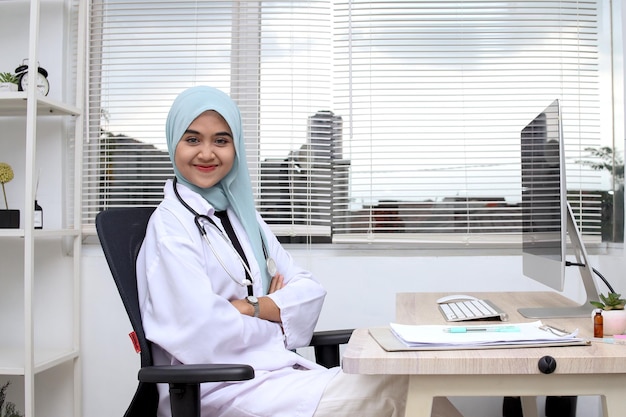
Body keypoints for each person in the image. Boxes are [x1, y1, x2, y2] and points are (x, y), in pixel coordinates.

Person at [136, 85, 464, 417]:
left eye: (221, 140)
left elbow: (308, 290)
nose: (207, 153)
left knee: (415, 387)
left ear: (236, 148)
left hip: (273, 376)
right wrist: (274, 316)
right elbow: (201, 332)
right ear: (173, 142)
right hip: (222, 391)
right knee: (405, 391)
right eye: (192, 140)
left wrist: (250, 307)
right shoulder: (170, 227)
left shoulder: (242, 218)